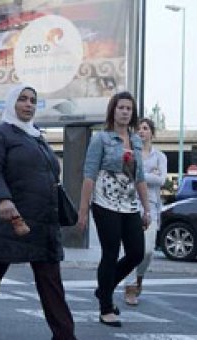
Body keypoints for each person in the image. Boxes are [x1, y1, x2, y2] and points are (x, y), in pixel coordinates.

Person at [0, 85, 76, 340]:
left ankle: (65, 335)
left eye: (33, 100)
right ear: (11, 103)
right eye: (23, 99)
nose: (29, 104)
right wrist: (3, 200)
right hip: (9, 219)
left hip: (43, 220)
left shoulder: (37, 136)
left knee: (51, 280)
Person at [76, 91, 151, 327]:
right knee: (110, 253)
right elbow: (89, 174)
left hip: (128, 204)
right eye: (121, 108)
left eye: (129, 109)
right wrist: (83, 210)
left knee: (136, 253)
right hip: (104, 201)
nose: (125, 112)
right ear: (113, 111)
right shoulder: (101, 139)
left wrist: (146, 209)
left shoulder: (136, 140)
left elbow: (139, 177)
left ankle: (104, 289)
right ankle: (106, 307)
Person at [123, 118, 167, 305]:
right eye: (138, 129)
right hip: (130, 205)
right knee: (131, 249)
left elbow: (162, 180)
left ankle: (140, 276)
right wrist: (150, 175)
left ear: (152, 133)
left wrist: (140, 175)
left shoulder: (160, 157)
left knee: (147, 251)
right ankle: (130, 288)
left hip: (151, 208)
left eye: (145, 128)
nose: (141, 131)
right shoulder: (130, 154)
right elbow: (127, 176)